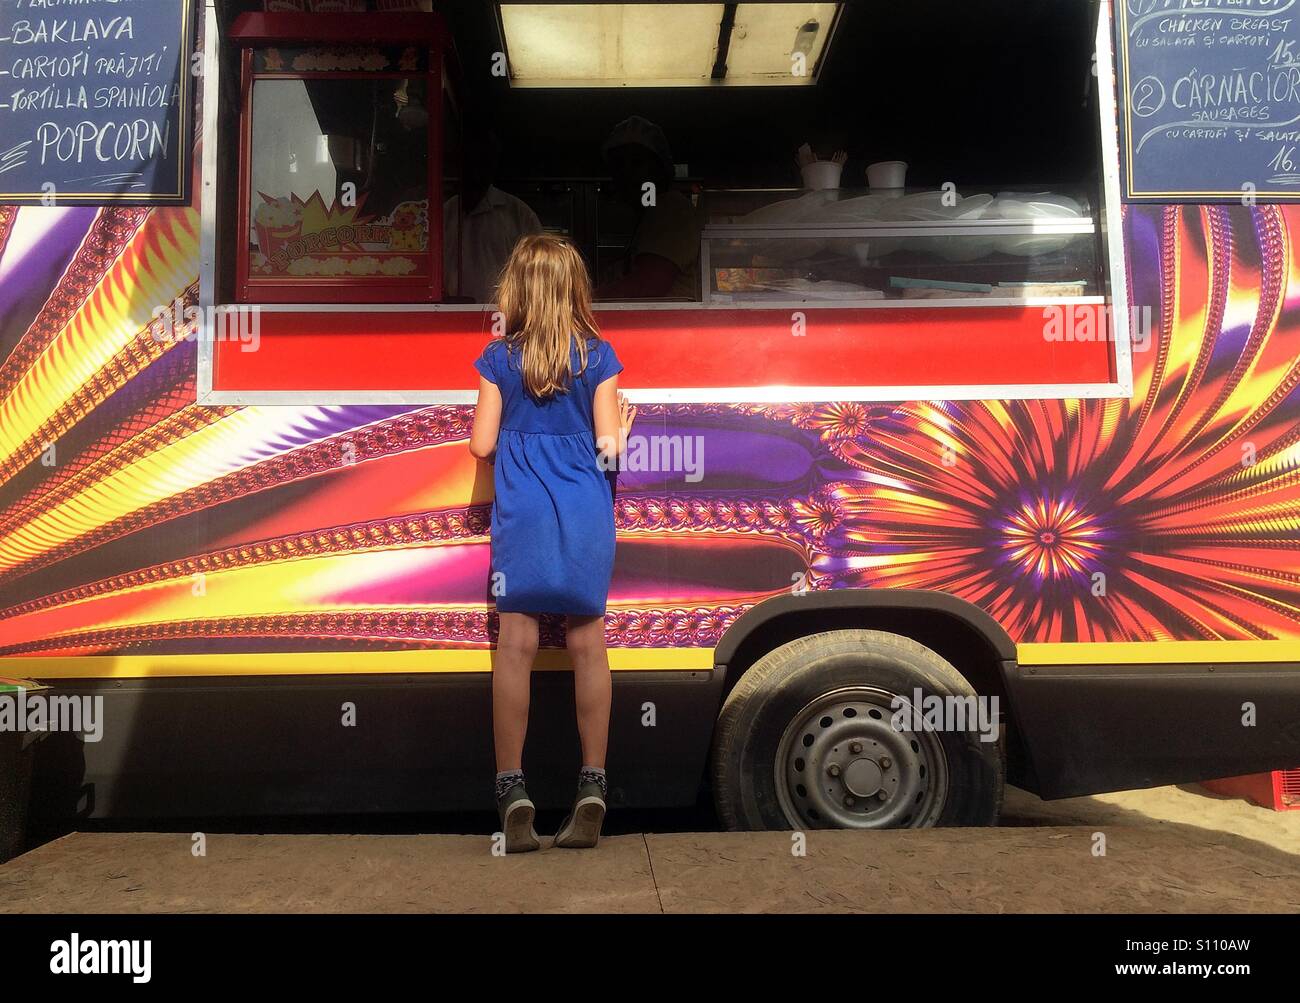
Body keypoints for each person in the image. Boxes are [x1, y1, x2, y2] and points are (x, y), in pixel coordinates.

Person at [469, 234, 636, 852]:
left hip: (524, 519)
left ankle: (512, 790)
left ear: (516, 289)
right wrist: (619, 428)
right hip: (586, 514)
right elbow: (608, 450)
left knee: (515, 645)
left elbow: (482, 446)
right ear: (574, 289)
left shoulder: (498, 359)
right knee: (587, 645)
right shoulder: (599, 357)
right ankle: (592, 783)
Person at [597, 115, 701, 300]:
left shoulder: (669, 208)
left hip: (669, 325)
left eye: (637, 163)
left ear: (659, 169)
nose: (627, 173)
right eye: (619, 165)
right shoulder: (650, 210)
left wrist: (583, 304)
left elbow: (646, 286)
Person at [443, 128, 543, 303]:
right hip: (449, 315)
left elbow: (540, 272)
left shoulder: (518, 213)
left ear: (493, 165)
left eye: (483, 161)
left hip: (504, 317)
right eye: (470, 161)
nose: (476, 170)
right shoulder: (444, 213)